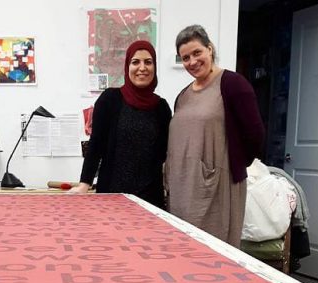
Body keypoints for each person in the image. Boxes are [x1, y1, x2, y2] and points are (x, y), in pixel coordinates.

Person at [166, 25, 264, 247]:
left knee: (213, 251)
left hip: (217, 185)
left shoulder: (232, 84)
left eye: (197, 52)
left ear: (210, 49)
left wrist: (228, 166)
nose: (192, 61)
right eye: (185, 57)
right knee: (182, 249)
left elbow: (255, 134)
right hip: (183, 187)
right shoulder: (183, 95)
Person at [70, 41, 172, 208]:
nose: (142, 67)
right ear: (127, 66)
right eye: (135, 62)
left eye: (148, 62)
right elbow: (96, 145)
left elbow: (165, 154)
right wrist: (84, 184)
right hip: (112, 196)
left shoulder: (162, 108)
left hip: (150, 199)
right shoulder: (110, 99)